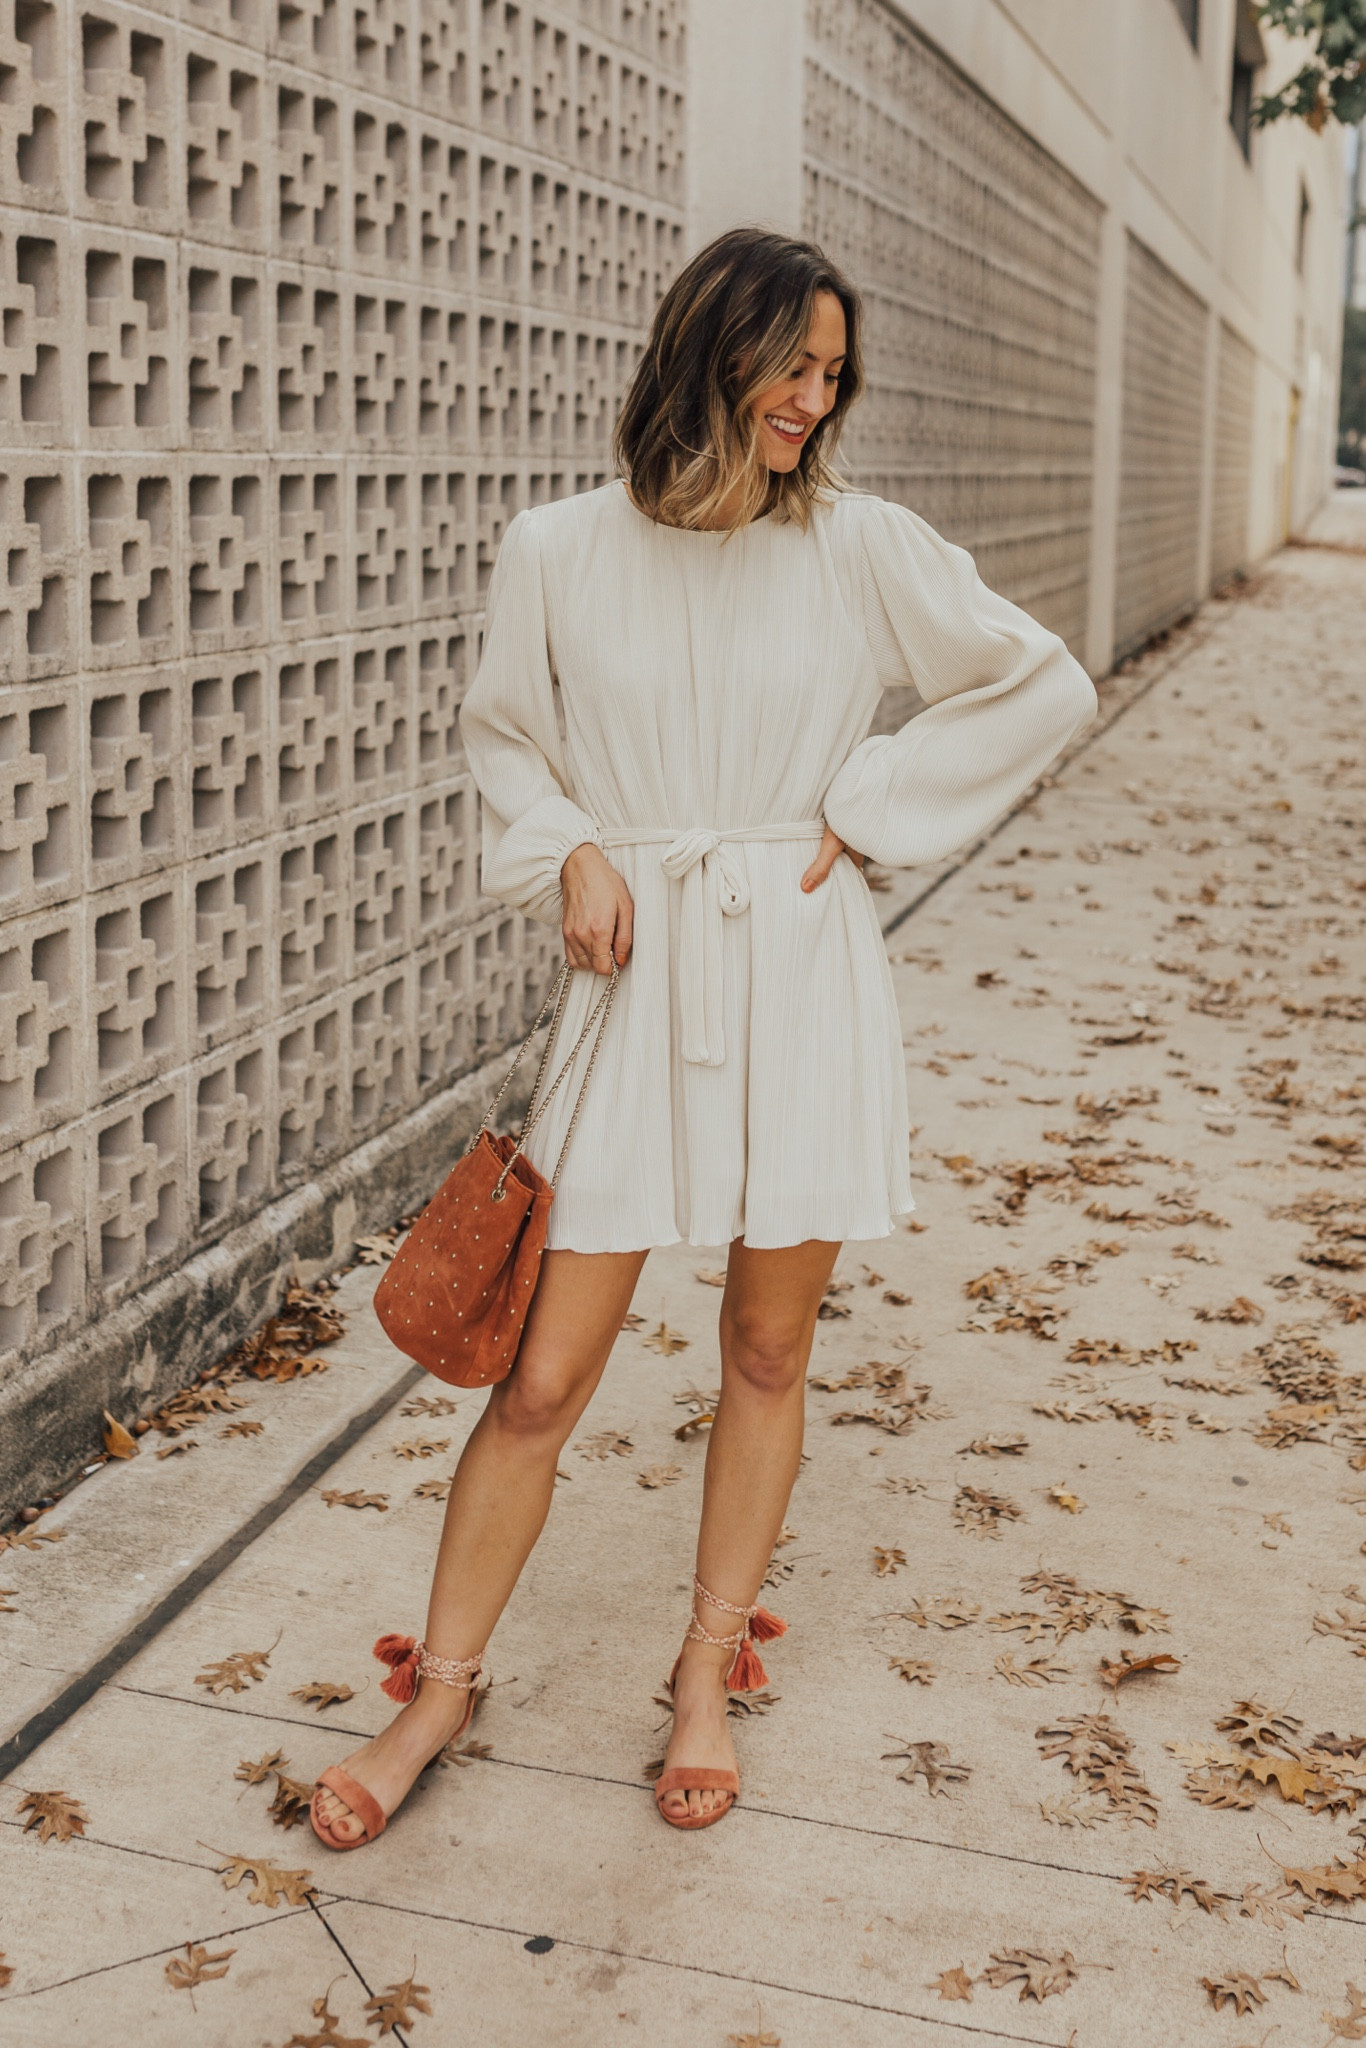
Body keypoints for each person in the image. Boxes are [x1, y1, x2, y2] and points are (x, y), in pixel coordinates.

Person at [311, 224, 1096, 1845]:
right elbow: (506, 744)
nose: (813, 396)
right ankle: (440, 1690)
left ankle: (699, 1671)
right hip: (637, 976)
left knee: (763, 1347)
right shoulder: (558, 549)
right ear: (708, 353)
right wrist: (570, 848)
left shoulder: (860, 545)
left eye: (830, 370)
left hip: (798, 971)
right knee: (540, 1376)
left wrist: (871, 807)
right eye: (789, 363)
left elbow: (1037, 683)